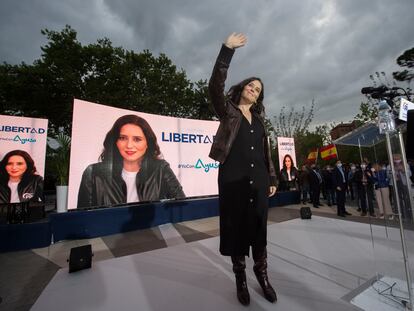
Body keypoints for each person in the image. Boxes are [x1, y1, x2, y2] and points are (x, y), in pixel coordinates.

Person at [208, 33, 277, 305]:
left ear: (260, 97)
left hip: (258, 179)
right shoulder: (228, 110)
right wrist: (227, 51)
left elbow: (265, 153)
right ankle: (241, 279)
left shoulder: (260, 120)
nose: (254, 89)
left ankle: (262, 275)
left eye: (258, 89)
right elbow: (215, 84)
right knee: (236, 229)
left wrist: (271, 177)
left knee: (259, 229)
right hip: (232, 178)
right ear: (242, 87)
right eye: (251, 84)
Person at [77, 114, 185, 208]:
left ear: (147, 143)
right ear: (115, 142)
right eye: (122, 138)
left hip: (151, 231)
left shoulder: (161, 169)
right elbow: (82, 218)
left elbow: (182, 205)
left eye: (137, 139)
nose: (129, 145)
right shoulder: (93, 173)